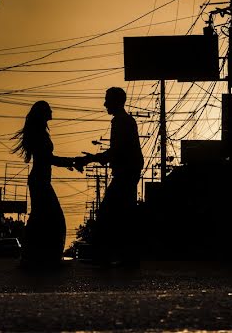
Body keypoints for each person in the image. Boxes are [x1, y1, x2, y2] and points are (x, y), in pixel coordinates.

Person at [78, 87, 144, 266]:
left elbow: (117, 151)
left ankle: (105, 255)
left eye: (107, 99)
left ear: (116, 101)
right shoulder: (126, 121)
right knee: (123, 214)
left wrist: (93, 158)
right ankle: (126, 256)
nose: (105, 103)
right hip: (129, 172)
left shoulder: (121, 122)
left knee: (107, 212)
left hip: (125, 173)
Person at [12, 101, 80, 267]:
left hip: (40, 180)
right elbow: (48, 159)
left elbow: (48, 159)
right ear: (43, 113)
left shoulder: (40, 133)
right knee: (49, 217)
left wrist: (69, 163)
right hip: (39, 180)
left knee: (42, 217)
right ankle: (40, 256)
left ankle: (38, 255)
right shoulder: (39, 134)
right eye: (49, 109)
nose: (52, 111)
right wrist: (70, 161)